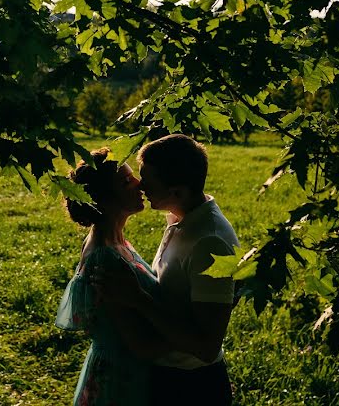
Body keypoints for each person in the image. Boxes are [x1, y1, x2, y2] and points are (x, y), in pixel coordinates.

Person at [94, 134, 239, 405]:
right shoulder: (180, 216)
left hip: (191, 387)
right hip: (167, 377)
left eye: (148, 180)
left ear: (178, 192)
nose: (140, 185)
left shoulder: (209, 242)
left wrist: (138, 299)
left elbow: (207, 348)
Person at [55, 148, 159, 406]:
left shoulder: (113, 240)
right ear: (104, 199)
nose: (139, 184)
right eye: (126, 181)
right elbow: (140, 345)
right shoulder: (105, 259)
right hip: (121, 383)